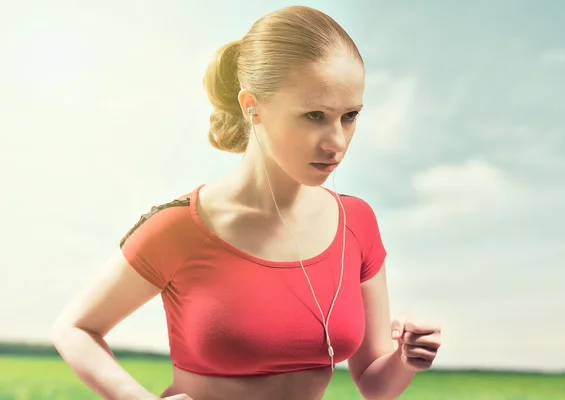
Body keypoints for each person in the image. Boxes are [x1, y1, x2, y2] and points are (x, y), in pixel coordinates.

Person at [52, 5, 442, 400]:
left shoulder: (356, 222)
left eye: (350, 116)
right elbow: (75, 328)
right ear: (250, 106)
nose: (337, 143)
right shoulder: (183, 226)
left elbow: (375, 385)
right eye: (313, 115)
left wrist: (405, 358)